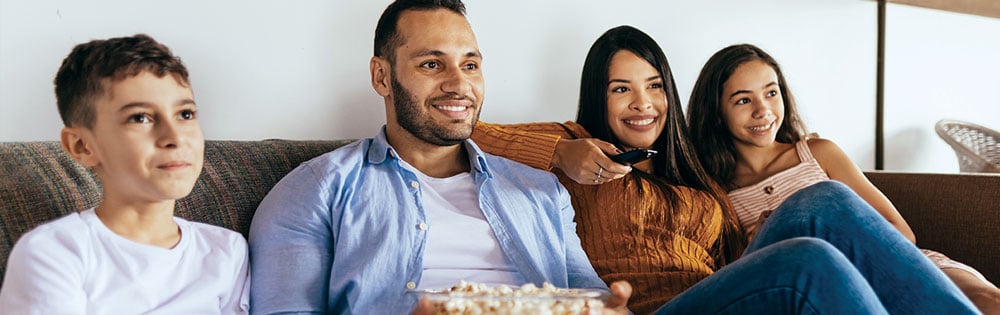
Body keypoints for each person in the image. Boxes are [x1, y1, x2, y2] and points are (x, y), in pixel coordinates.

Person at [472, 26, 979, 314]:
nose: (642, 103)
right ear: (597, 98)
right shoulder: (574, 144)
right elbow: (467, 127)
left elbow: (735, 259)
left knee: (824, 201)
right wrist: (560, 155)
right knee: (808, 259)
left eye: (653, 86)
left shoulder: (693, 174)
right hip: (657, 310)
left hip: (722, 293)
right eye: (620, 88)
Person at [247, 1, 631, 313]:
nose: (459, 84)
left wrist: (612, 308)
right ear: (382, 77)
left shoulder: (541, 191)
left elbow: (594, 298)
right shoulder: (315, 189)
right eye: (432, 64)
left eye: (470, 65)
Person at [686, 43, 1000, 314]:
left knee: (988, 300)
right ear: (716, 112)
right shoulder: (712, 189)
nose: (763, 110)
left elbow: (901, 234)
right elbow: (734, 279)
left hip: (900, 266)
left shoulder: (818, 153)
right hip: (824, 287)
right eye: (743, 100)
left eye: (771, 92)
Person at [0, 34, 250, 314]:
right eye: (139, 118)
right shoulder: (56, 252)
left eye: (185, 114)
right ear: (82, 146)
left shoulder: (226, 251)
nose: (175, 137)